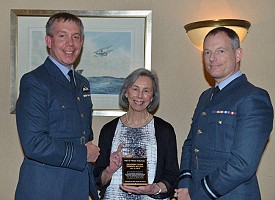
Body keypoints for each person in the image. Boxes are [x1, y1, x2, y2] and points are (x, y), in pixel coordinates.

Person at [175, 27, 274, 200]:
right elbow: (190, 145)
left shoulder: (253, 97)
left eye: (220, 51)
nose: (212, 58)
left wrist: (196, 194)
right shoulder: (206, 97)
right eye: (207, 52)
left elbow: (243, 165)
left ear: (238, 55)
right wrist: (185, 185)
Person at [15, 12, 100, 200]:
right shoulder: (34, 81)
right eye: (62, 36)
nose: (70, 43)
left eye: (76, 37)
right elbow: (34, 144)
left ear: (82, 43)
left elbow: (83, 135)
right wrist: (83, 154)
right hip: (45, 189)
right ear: (49, 40)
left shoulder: (82, 82)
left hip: (77, 187)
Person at [94, 68, 179, 199]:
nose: (140, 95)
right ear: (126, 92)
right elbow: (98, 180)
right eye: (135, 89)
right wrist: (110, 169)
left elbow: (172, 176)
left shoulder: (164, 130)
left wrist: (154, 189)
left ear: (152, 97)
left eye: (146, 91)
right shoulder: (108, 130)